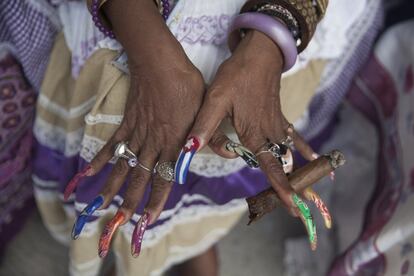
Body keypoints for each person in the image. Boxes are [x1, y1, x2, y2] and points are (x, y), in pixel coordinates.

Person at [16, 0, 335, 274]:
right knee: (139, 164)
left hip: (276, 24)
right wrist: (154, 57)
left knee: (220, 168)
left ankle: (189, 241)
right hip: (134, 21)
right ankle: (142, 252)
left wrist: (269, 40)